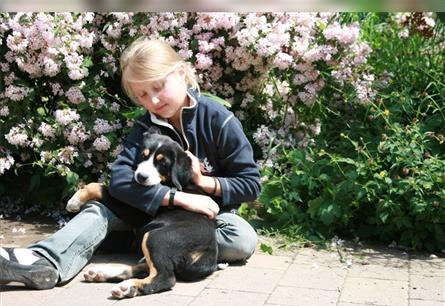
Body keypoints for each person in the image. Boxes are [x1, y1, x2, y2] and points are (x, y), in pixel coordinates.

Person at [0, 38, 261, 290]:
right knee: (98, 210)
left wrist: (203, 182)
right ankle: (43, 261)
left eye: (158, 87)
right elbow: (121, 180)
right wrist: (177, 198)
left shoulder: (218, 120)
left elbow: (250, 185)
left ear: (181, 73)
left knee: (242, 239)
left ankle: (148, 251)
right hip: (150, 211)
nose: (153, 101)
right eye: (142, 96)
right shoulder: (146, 126)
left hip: (206, 220)